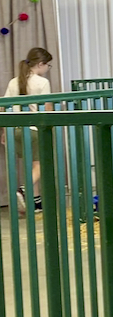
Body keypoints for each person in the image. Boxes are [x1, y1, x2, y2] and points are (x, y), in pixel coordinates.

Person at [2, 46, 54, 214]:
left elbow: (4, 107)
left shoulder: (14, 81)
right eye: (48, 65)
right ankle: (23, 190)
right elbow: (48, 108)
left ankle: (36, 203)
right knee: (41, 165)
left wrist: (3, 131)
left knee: (32, 165)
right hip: (34, 130)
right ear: (41, 64)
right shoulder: (42, 83)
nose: (48, 69)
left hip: (16, 130)